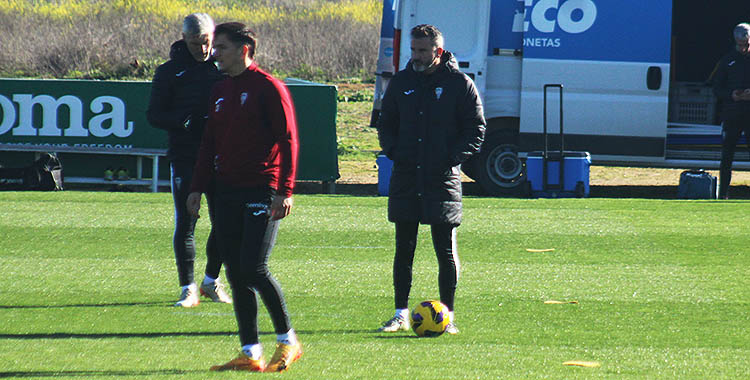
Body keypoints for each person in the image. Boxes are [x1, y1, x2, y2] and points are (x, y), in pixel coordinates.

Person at [186, 22, 301, 372]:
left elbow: (289, 140)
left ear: (243, 50)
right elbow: (209, 143)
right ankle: (251, 352)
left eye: (220, 47)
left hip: (262, 189)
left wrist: (285, 191)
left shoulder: (269, 87)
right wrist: (196, 187)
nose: (214, 53)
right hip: (225, 191)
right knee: (236, 273)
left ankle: (288, 341)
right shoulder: (219, 89)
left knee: (255, 267)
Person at [376, 24, 485, 335]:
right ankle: (399, 313)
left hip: (442, 179)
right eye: (413, 50)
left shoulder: (459, 84)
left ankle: (447, 316)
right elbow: (386, 124)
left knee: (445, 249)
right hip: (407, 176)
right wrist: (395, 150)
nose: (417, 56)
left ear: (438, 52)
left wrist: (452, 159)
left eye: (423, 51)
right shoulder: (401, 82)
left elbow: (476, 129)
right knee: (404, 247)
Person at [146, 13, 231, 307]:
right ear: (184, 40)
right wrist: (185, 122)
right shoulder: (169, 72)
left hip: (222, 158)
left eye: (206, 42)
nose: (202, 49)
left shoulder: (224, 68)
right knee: (187, 221)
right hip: (185, 156)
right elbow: (154, 115)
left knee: (225, 223)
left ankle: (211, 280)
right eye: (196, 43)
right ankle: (188, 288)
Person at [712, 23, 750, 199]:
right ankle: (723, 194)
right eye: (740, 44)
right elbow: (716, 88)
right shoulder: (727, 60)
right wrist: (732, 95)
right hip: (732, 114)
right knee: (727, 156)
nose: (743, 48)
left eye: (746, 44)